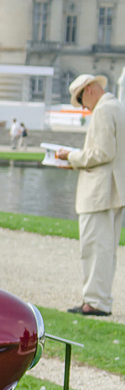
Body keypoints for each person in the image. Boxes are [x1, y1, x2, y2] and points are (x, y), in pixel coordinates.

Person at [52, 73, 125, 316]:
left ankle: (95, 302)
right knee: (104, 249)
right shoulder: (116, 107)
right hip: (111, 190)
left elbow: (103, 152)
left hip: (100, 192)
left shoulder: (104, 110)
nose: (83, 106)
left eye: (81, 99)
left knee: (94, 249)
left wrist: (70, 156)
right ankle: (98, 299)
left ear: (90, 89)